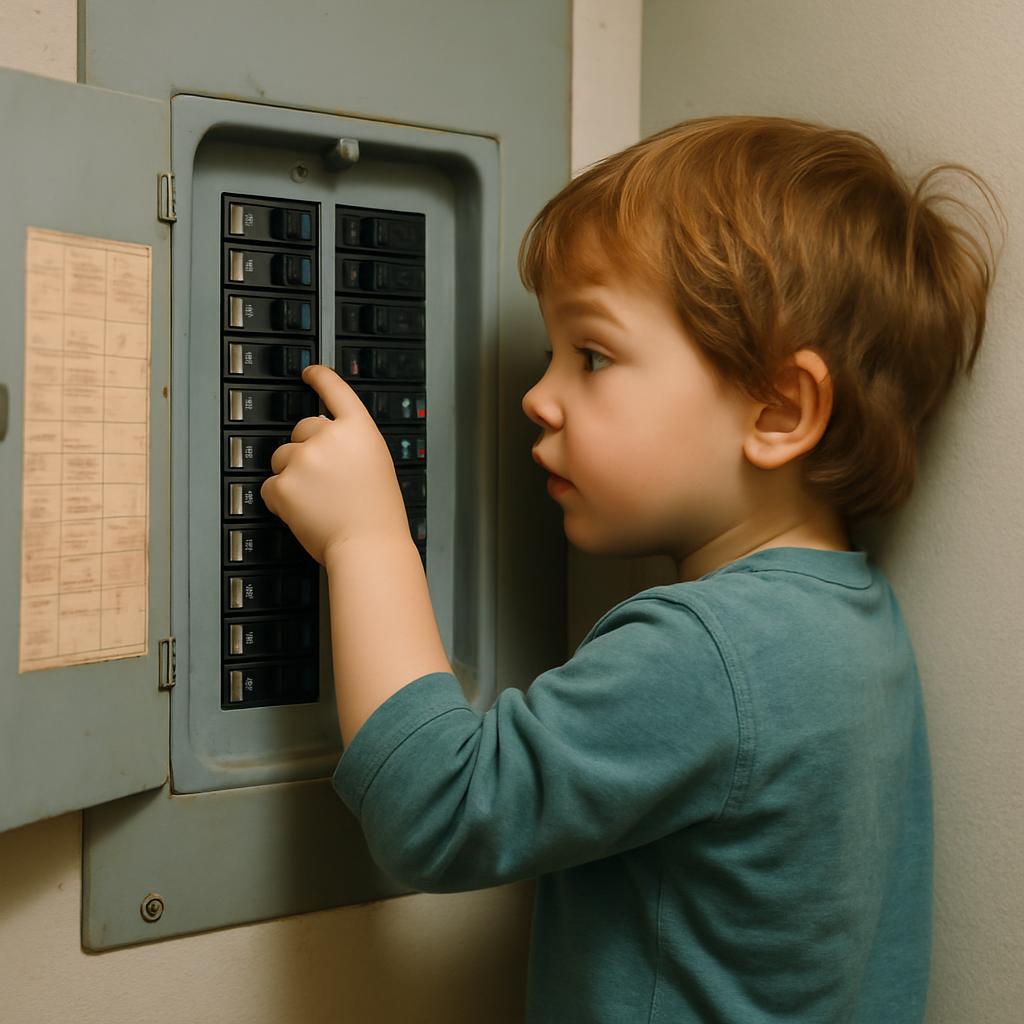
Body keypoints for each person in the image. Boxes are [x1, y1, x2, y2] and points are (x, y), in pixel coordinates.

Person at [260, 115, 1004, 1023]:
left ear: (778, 409)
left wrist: (365, 539)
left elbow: (438, 812)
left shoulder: (709, 653)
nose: (538, 397)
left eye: (593, 356)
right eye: (552, 355)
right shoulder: (854, 623)